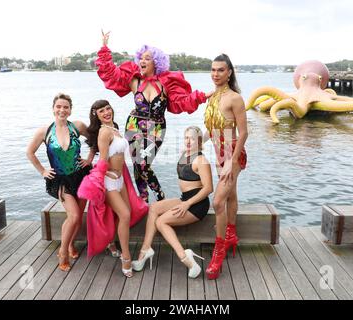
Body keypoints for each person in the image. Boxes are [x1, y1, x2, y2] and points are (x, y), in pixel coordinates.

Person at [95, 31, 213, 203]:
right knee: (137, 164)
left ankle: (159, 195)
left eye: (147, 58)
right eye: (141, 58)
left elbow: (183, 101)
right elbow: (111, 73)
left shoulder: (166, 84)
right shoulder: (134, 81)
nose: (142, 61)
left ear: (156, 62)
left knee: (143, 163)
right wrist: (105, 48)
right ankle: (143, 199)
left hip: (156, 128)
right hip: (134, 125)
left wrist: (203, 96)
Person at [78, 100, 148, 278]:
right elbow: (102, 159)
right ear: (96, 115)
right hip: (110, 182)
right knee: (124, 214)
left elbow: (117, 155)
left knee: (127, 212)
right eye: (101, 111)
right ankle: (126, 257)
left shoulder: (115, 128)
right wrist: (104, 175)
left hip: (120, 179)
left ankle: (111, 242)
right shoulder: (103, 132)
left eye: (108, 108)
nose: (106, 112)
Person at [131, 126, 213, 278]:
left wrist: (187, 204)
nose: (188, 141)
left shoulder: (202, 161)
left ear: (199, 141)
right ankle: (146, 249)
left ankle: (187, 260)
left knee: (161, 222)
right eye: (186, 137)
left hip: (197, 204)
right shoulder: (185, 154)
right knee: (154, 208)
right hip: (185, 198)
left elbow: (208, 188)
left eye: (192, 138)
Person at [26, 93, 92, 272]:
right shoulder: (44, 131)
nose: (62, 110)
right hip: (61, 180)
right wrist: (43, 171)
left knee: (77, 217)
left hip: (81, 176)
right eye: (59, 107)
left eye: (66, 107)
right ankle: (62, 252)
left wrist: (89, 158)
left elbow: (93, 140)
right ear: (53, 108)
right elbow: (30, 152)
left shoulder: (77, 126)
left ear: (70, 110)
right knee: (75, 216)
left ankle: (70, 245)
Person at [203, 54, 248, 280]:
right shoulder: (212, 97)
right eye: (213, 70)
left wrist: (231, 161)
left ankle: (218, 251)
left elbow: (243, 133)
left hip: (234, 156)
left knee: (218, 201)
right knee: (231, 196)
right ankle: (231, 234)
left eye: (220, 70)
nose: (215, 74)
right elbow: (212, 129)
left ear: (229, 72)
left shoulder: (235, 98)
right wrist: (196, 144)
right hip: (220, 155)